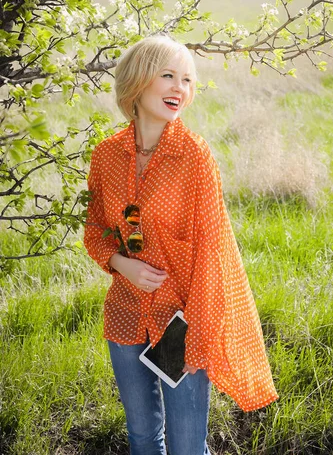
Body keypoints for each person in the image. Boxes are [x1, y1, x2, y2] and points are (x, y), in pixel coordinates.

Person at [84, 35, 278, 455]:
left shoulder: (195, 156)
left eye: (187, 80)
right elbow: (97, 228)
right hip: (126, 312)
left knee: (188, 446)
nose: (180, 88)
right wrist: (121, 263)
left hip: (182, 320)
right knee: (142, 438)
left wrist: (201, 335)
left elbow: (214, 251)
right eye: (168, 75)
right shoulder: (106, 156)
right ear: (137, 81)